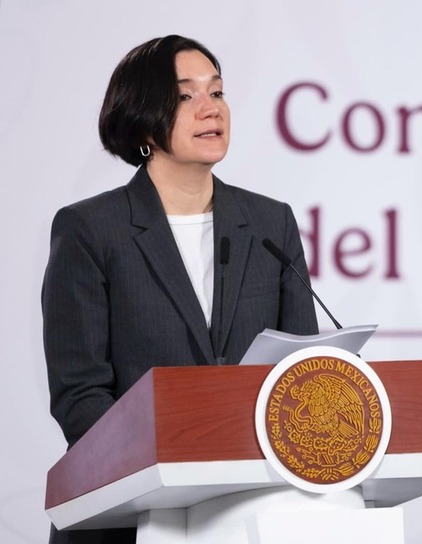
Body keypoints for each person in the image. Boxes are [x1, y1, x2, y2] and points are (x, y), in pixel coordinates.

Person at [42, 35, 319, 543]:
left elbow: (303, 373)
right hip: (130, 515)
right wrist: (175, 467)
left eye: (218, 92)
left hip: (250, 514)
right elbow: (80, 395)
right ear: (144, 120)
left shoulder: (270, 224)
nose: (210, 108)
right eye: (186, 95)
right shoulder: (92, 229)